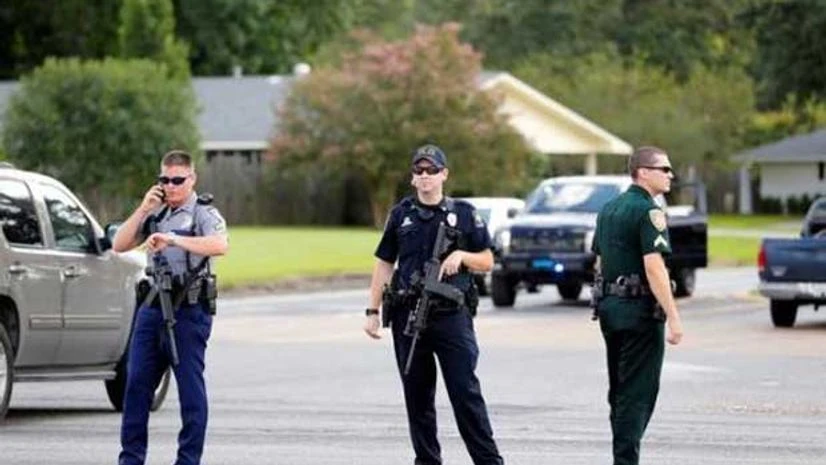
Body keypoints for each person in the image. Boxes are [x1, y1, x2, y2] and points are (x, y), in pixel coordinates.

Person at [364, 144, 504, 465]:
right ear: (413, 178)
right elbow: (384, 262)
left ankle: (488, 461)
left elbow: (487, 260)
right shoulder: (401, 215)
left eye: (431, 171)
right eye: (419, 171)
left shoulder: (465, 214)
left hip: (451, 317)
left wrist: (461, 256)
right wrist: (372, 311)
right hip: (408, 316)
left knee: (465, 393)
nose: (425, 177)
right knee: (417, 398)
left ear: (444, 174)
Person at [112, 150, 228, 465]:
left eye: (178, 180)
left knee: (190, 391)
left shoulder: (202, 211)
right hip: (152, 308)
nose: (171, 186)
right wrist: (142, 209)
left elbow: (220, 245)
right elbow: (119, 245)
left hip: (189, 310)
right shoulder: (155, 213)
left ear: (192, 179)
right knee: (136, 387)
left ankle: (187, 461)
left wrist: (174, 240)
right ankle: (131, 459)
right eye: (165, 179)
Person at [591, 146, 685, 465]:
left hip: (610, 309)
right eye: (664, 168)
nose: (670, 175)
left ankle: (622, 454)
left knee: (619, 390)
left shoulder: (608, 209)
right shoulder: (649, 211)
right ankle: (625, 460)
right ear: (643, 172)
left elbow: (600, 261)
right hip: (640, 313)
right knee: (638, 394)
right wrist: (674, 318)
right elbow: (654, 266)